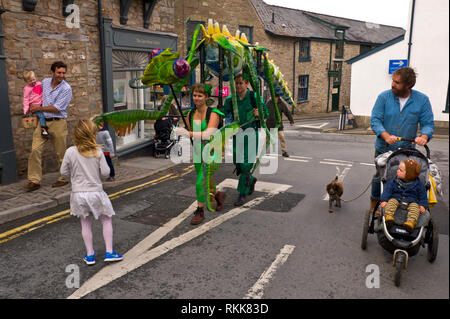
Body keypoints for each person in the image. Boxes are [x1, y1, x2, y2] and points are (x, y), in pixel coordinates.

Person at [370, 67, 434, 213]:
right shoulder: (383, 97)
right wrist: (385, 135)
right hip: (383, 148)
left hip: (407, 151)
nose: (392, 84)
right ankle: (375, 205)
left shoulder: (422, 100)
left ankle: (402, 205)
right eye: (393, 80)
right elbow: (375, 120)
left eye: (397, 82)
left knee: (407, 179)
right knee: (380, 178)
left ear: (408, 85)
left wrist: (424, 136)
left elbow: (428, 124)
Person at [60, 119, 123, 265]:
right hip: (95, 192)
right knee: (106, 219)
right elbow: (106, 173)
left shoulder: (70, 151)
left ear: (76, 134)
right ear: (92, 134)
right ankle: (109, 252)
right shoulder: (97, 151)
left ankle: (90, 255)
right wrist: (98, 176)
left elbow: (63, 172)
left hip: (78, 194)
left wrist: (74, 179)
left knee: (85, 223)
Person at [176, 83, 226, 225]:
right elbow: (192, 136)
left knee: (200, 181)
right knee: (204, 179)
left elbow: (208, 134)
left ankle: (200, 211)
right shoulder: (190, 114)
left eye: (200, 95)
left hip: (212, 152)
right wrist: (180, 133)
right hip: (198, 153)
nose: (196, 98)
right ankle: (218, 195)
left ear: (206, 97)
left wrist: (188, 133)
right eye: (195, 95)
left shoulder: (214, 114)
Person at [24, 61, 73, 192]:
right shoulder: (45, 82)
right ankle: (34, 180)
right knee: (35, 150)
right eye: (59, 72)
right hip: (43, 123)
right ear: (52, 72)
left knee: (61, 153)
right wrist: (30, 103)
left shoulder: (66, 88)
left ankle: (64, 178)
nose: (61, 75)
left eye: (63, 73)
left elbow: (57, 108)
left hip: (58, 123)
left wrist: (38, 107)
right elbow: (34, 92)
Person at [223, 73, 268, 206]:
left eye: (240, 83)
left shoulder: (254, 97)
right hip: (237, 135)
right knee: (238, 164)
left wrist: (259, 114)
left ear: (247, 83)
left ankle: (242, 193)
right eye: (236, 83)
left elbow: (266, 113)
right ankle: (251, 179)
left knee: (246, 164)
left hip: (251, 134)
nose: (238, 85)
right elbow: (226, 115)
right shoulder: (231, 100)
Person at [380, 158, 428, 232]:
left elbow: (423, 197)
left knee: (415, 208)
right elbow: (387, 191)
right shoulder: (394, 181)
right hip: (396, 199)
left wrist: (423, 205)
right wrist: (384, 200)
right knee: (391, 202)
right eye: (398, 169)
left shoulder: (419, 185)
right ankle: (389, 216)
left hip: (412, 202)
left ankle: (410, 222)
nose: (397, 171)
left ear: (409, 175)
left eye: (400, 170)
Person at [23, 71, 50, 138]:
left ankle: (47, 128)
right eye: (30, 81)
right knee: (42, 117)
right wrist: (26, 109)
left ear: (35, 77)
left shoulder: (39, 84)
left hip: (43, 103)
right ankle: (44, 132)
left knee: (47, 114)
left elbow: (45, 90)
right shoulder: (26, 89)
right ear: (26, 81)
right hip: (35, 106)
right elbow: (25, 99)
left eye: (33, 79)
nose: (32, 81)